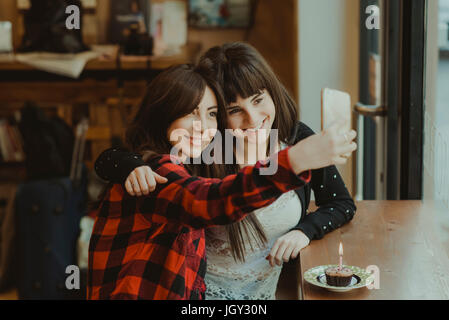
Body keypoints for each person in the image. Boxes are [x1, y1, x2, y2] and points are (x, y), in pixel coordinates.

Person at [93, 42, 358, 300]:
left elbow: (342, 203)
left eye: (258, 100)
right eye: (233, 110)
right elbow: (214, 200)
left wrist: (305, 231)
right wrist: (125, 163)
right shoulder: (198, 153)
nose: (252, 119)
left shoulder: (294, 135)